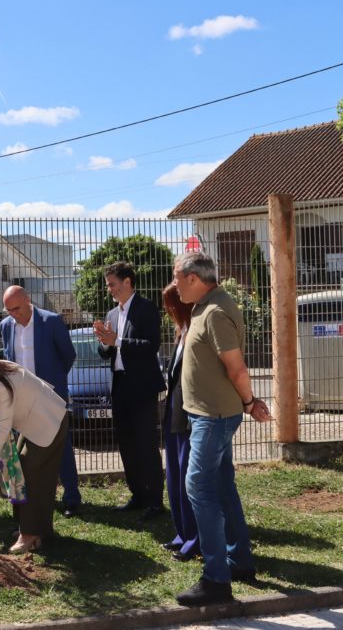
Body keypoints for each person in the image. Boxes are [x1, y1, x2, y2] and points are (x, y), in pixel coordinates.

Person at [172, 252, 272, 607]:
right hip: (208, 415)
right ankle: (239, 560)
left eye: (177, 278)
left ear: (194, 278)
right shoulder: (203, 304)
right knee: (221, 485)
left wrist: (249, 402)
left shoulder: (214, 312)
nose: (174, 285)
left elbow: (237, 368)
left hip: (213, 417)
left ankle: (216, 580)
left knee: (198, 486)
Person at [0, 346, 68, 554]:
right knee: (21, 471)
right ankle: (30, 530)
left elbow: (3, 429)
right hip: (31, 422)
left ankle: (30, 534)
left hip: (49, 421)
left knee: (28, 473)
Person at [93, 261, 166, 520]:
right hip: (120, 385)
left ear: (127, 282)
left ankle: (155, 500)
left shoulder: (147, 309)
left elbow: (151, 345)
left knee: (146, 443)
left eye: (112, 284)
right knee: (126, 443)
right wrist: (103, 340)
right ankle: (137, 494)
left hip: (142, 387)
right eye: (108, 285)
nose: (110, 290)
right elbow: (106, 353)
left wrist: (118, 341)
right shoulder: (112, 315)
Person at [0, 285, 82, 517]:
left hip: (50, 396)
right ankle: (28, 497)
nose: (13, 314)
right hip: (21, 398)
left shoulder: (51, 321)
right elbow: (8, 358)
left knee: (61, 446)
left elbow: (68, 355)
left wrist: (53, 382)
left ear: (28, 300)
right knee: (23, 449)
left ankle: (72, 498)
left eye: (16, 308)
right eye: (8, 310)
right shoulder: (6, 326)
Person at [160, 283, 199, 562]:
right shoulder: (181, 331)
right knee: (173, 474)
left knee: (188, 477)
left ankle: (195, 539)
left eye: (170, 306)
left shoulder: (196, 328)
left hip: (189, 414)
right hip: (174, 410)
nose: (167, 312)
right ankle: (182, 533)